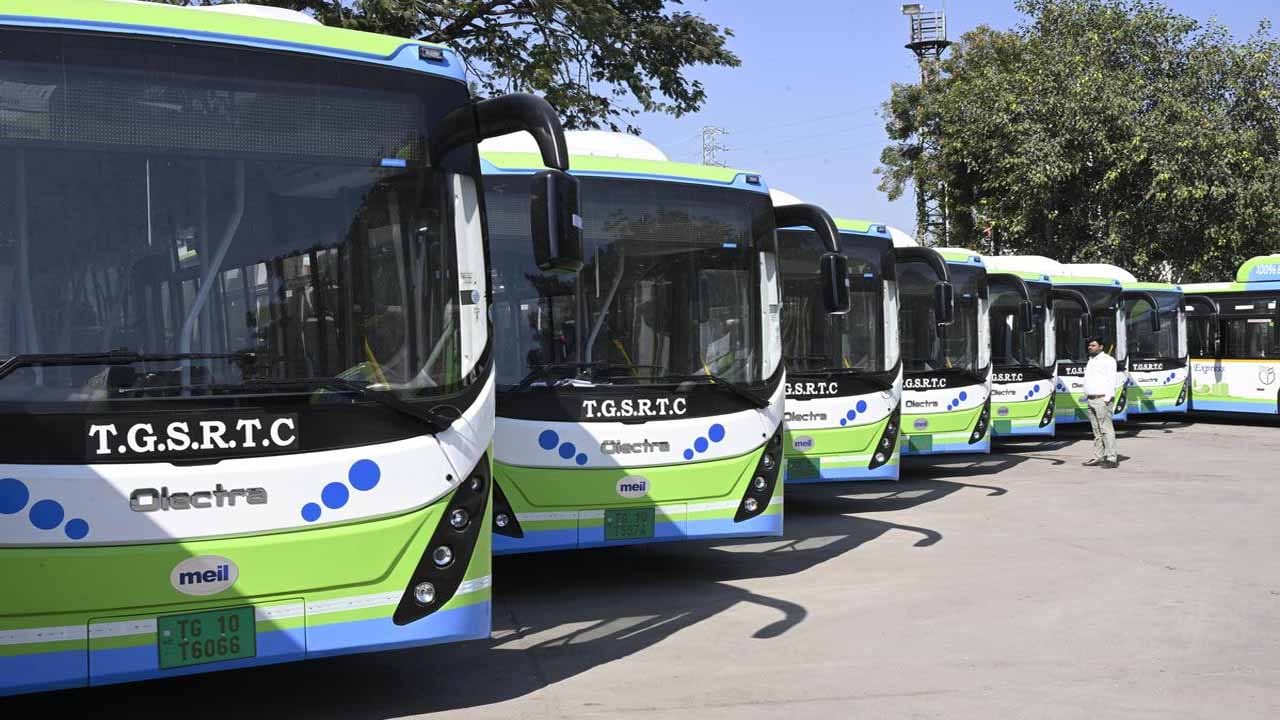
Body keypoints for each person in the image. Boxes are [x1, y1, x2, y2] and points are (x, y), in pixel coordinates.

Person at [1082, 336, 1119, 469]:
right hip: (1091, 399)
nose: (1090, 347)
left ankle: (1111, 457)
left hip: (1102, 399)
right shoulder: (1091, 360)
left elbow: (1112, 380)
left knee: (1106, 429)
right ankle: (1098, 456)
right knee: (1096, 431)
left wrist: (1107, 399)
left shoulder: (1108, 360)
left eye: (1093, 345)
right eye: (1089, 345)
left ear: (1101, 347)